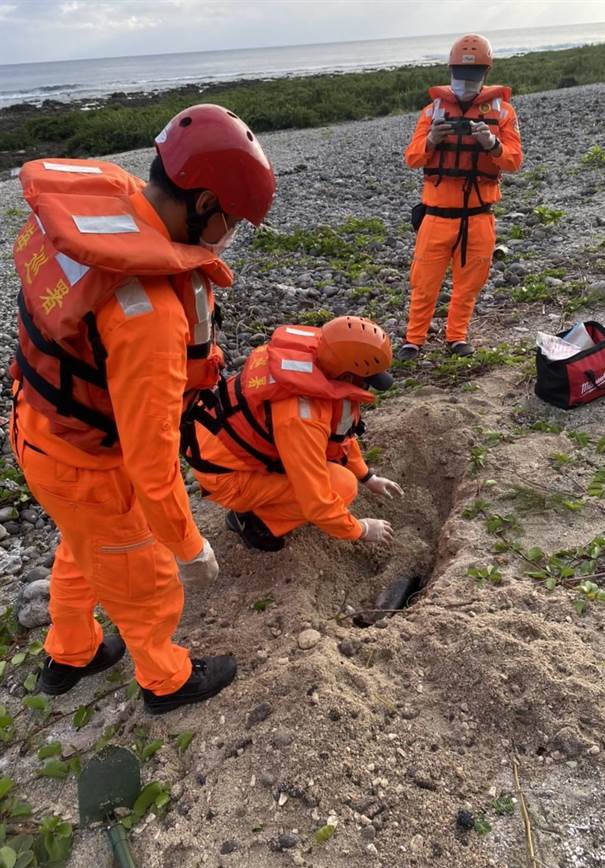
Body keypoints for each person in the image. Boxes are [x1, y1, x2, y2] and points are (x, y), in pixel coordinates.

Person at [10, 104, 275, 714]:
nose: (231, 232)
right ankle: (167, 681)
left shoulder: (115, 206)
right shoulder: (148, 316)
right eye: (232, 219)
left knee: (82, 547)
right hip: (87, 465)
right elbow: (152, 465)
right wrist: (188, 546)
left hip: (37, 428)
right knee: (143, 578)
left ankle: (70, 653)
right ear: (204, 203)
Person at [181, 316, 404, 551]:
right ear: (347, 375)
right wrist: (361, 529)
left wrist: (368, 477)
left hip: (221, 443)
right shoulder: (300, 417)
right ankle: (254, 522)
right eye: (367, 380)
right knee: (343, 486)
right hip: (225, 474)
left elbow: (339, 438)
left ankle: (269, 500)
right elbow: (316, 500)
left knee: (338, 477)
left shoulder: (322, 362)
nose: (366, 386)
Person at [397, 33, 523, 361]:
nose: (465, 80)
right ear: (450, 70)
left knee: (469, 284)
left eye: (472, 74)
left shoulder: (503, 112)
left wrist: (492, 144)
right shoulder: (432, 112)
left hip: (479, 216)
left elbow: (514, 161)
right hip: (436, 215)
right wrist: (431, 141)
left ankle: (457, 336)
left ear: (485, 73)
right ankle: (413, 339)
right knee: (424, 283)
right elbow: (412, 157)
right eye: (460, 73)